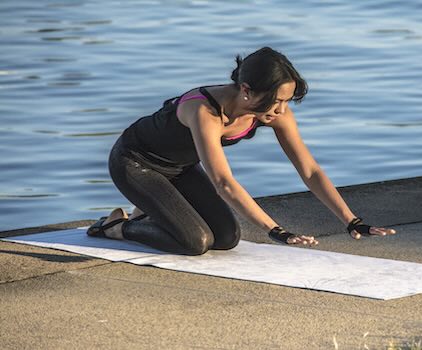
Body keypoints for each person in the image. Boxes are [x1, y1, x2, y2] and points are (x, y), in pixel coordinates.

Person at [87, 47, 397, 255]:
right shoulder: (204, 111)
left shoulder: (275, 113)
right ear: (246, 90)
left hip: (179, 169)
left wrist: (351, 220)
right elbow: (223, 182)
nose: (281, 110)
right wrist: (275, 231)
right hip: (136, 164)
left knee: (226, 238)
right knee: (196, 242)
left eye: (287, 101)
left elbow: (310, 170)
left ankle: (151, 209)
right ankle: (118, 227)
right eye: (276, 101)